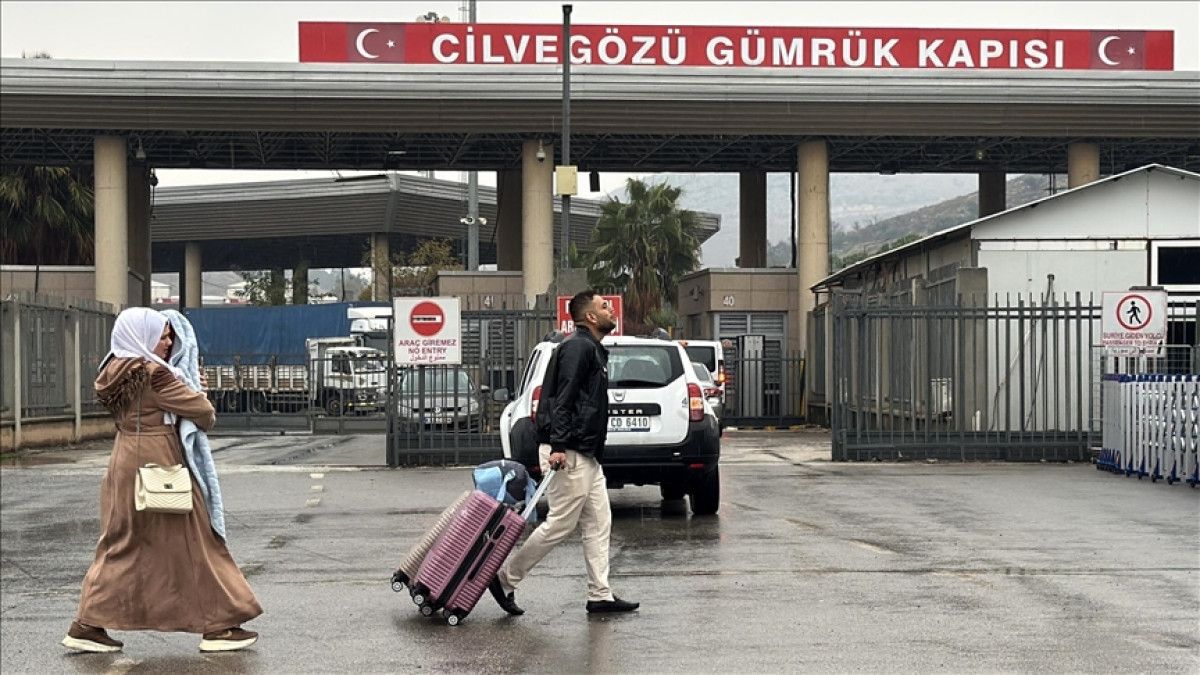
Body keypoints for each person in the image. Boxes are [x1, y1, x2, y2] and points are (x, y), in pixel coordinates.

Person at [62, 307, 262, 654]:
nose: (169, 343)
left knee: (124, 542)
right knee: (196, 539)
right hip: (160, 459)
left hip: (126, 459)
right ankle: (218, 625)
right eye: (162, 336)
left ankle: (88, 624)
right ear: (143, 336)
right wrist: (195, 387)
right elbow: (204, 413)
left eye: (170, 336)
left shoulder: (115, 369)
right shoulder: (155, 374)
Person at [489, 290, 639, 615]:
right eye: (604, 307)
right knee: (559, 524)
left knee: (599, 522)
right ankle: (504, 579)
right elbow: (563, 398)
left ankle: (600, 594)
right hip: (569, 451)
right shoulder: (578, 348)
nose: (611, 310)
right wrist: (558, 446)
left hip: (586, 453)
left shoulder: (590, 348)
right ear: (590, 317)